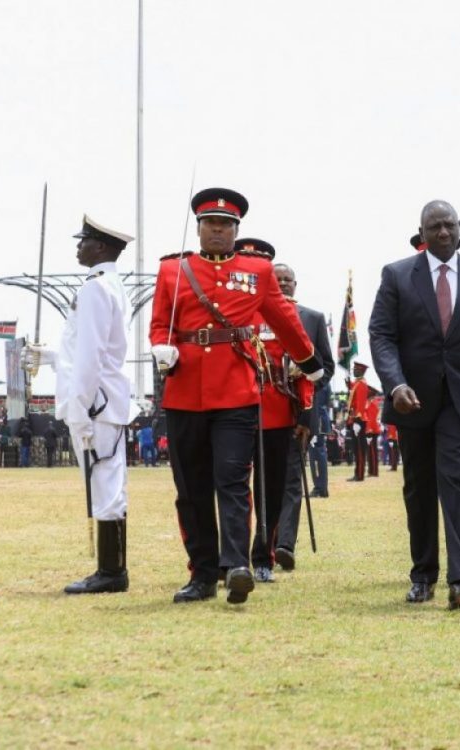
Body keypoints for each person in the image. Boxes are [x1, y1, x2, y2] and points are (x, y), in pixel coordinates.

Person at [149, 188, 323, 605]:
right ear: (198, 227)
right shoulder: (174, 270)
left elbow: (283, 320)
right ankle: (202, 574)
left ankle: (237, 565)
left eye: (225, 225)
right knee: (191, 489)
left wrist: (311, 362)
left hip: (236, 391)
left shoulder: (257, 271)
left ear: (236, 229)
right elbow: (160, 323)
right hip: (185, 389)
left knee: (232, 481)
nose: (217, 230)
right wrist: (160, 347)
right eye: (210, 223)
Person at [369, 200, 460, 610]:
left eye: (449, 224)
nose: (444, 232)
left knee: (456, 482)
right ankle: (423, 575)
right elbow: (381, 335)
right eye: (435, 226)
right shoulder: (397, 275)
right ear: (422, 231)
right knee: (418, 488)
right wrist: (394, 384)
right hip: (411, 401)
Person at [23, 215, 140, 594]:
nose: (78, 247)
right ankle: (110, 568)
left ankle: (111, 571)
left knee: (104, 483)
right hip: (104, 399)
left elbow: (91, 357)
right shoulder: (109, 286)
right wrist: (53, 355)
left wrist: (80, 408)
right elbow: (86, 351)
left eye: (84, 241)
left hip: (95, 403)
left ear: (101, 248)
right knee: (107, 481)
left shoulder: (94, 288)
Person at [262, 261, 335, 576]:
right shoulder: (257, 315)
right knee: (267, 481)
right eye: (277, 279)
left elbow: (327, 367)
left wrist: (306, 371)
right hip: (265, 411)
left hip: (301, 414)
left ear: (296, 284)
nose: (283, 283)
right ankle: (266, 541)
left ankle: (285, 546)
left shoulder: (313, 319)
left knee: (292, 480)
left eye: (288, 279)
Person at [346, 361, 369, 481]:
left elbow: (360, 403)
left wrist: (357, 420)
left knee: (359, 449)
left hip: (358, 420)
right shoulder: (357, 383)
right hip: (354, 419)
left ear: (361, 371)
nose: (353, 370)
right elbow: (352, 394)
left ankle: (359, 475)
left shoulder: (362, 384)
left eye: (356, 369)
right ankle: (357, 472)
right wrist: (347, 382)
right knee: (356, 449)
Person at [309, 381, 332, 496]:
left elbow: (315, 405)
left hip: (316, 421)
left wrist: (312, 425)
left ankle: (320, 488)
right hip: (320, 420)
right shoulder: (325, 381)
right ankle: (321, 487)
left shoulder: (316, 382)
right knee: (318, 454)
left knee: (316, 456)